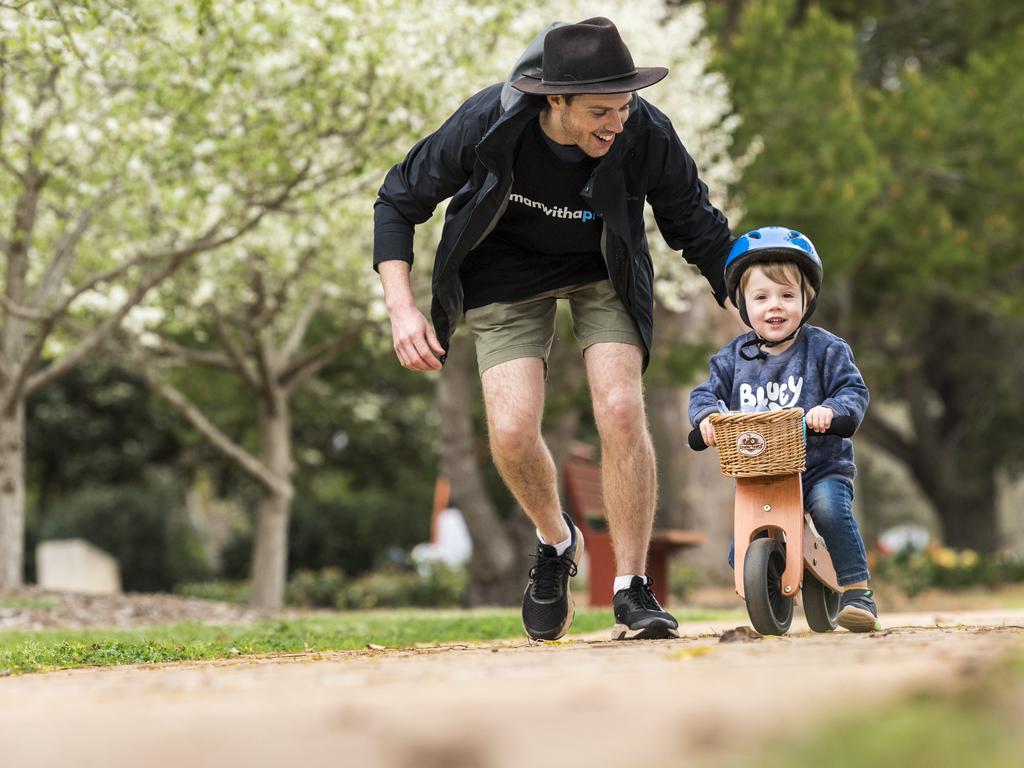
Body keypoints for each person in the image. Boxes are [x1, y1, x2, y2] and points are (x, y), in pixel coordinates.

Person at [374, 18, 733, 641]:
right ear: (554, 100)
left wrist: (748, 297)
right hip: (502, 271)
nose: (615, 123)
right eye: (600, 110)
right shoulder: (490, 120)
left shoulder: (643, 130)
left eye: (623, 107)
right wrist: (402, 309)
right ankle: (555, 542)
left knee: (620, 409)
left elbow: (693, 221)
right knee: (512, 434)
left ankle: (632, 587)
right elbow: (399, 199)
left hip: (603, 266)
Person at [688, 226, 880, 632]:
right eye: (761, 297)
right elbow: (705, 393)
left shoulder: (826, 349)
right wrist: (704, 419)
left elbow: (853, 390)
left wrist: (831, 410)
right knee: (739, 544)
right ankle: (767, 586)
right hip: (760, 470)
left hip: (819, 467)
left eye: (787, 295)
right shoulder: (731, 358)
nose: (774, 306)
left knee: (829, 507)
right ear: (743, 304)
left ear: (806, 300)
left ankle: (857, 591)